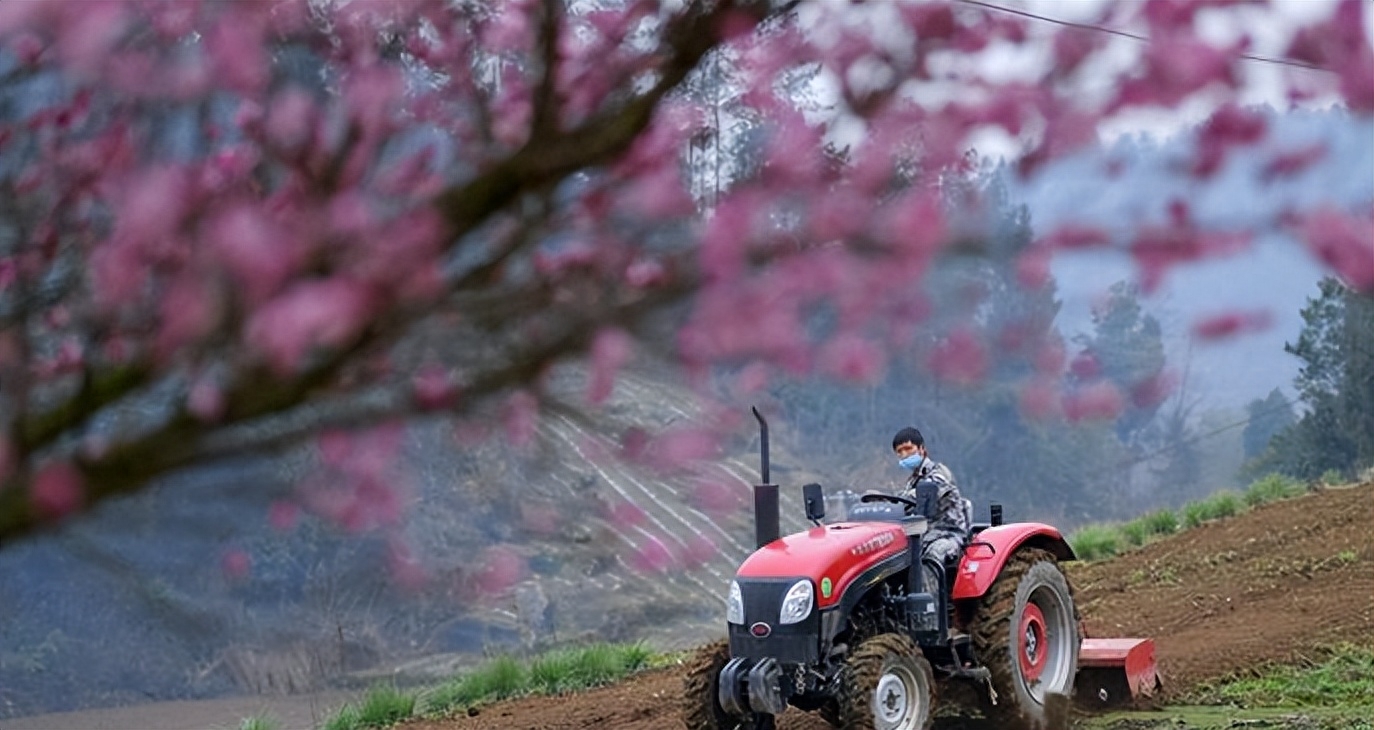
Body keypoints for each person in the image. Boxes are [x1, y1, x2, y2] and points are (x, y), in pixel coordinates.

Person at [892, 426, 969, 594]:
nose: (905, 454)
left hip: (947, 534)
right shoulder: (911, 481)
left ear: (921, 449)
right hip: (922, 537)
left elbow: (920, 496)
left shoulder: (939, 473)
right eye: (900, 451)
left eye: (908, 448)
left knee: (930, 559)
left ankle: (930, 613)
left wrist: (896, 501)